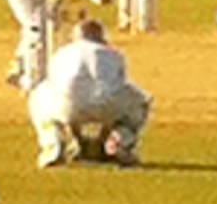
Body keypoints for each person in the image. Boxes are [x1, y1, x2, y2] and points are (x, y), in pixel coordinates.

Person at [28, 18, 152, 169]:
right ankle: (119, 143)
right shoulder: (115, 55)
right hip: (109, 104)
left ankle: (52, 145)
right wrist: (104, 136)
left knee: (39, 96)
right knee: (140, 102)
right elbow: (117, 86)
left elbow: (63, 88)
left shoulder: (61, 53)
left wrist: (77, 136)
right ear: (101, 37)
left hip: (67, 105)